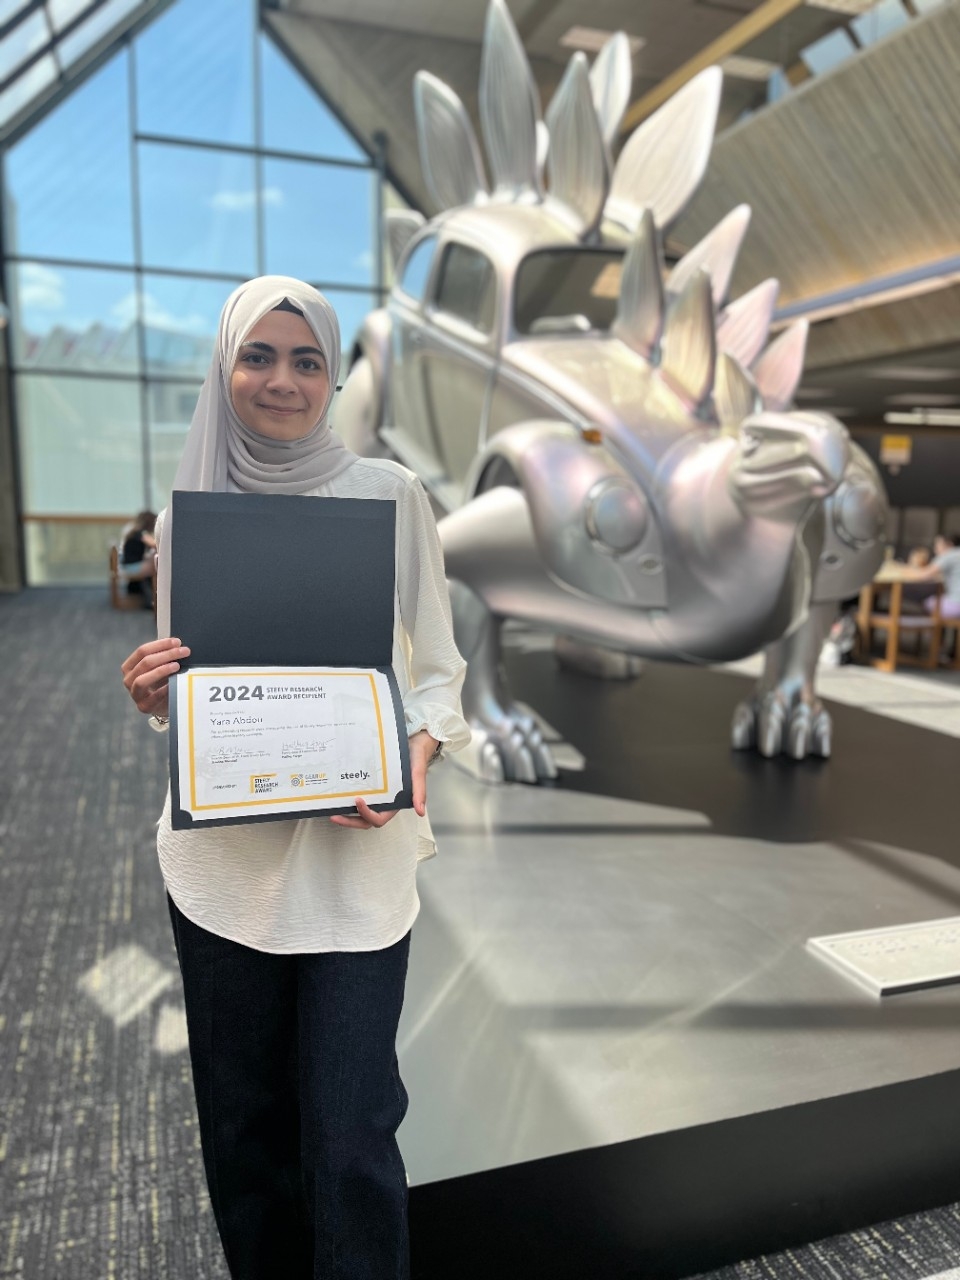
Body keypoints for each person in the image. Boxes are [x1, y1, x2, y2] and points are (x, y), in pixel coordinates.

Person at [120, 276, 470, 1280]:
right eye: (258, 355)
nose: (282, 379)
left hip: (357, 863)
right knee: (245, 1126)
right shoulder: (194, 515)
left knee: (353, 1125)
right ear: (225, 367)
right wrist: (156, 697)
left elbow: (441, 672)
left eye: (307, 357)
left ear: (333, 374)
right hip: (225, 871)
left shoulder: (391, 496)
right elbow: (196, 688)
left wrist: (414, 753)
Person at [119, 509, 157, 608]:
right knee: (155, 566)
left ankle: (149, 596)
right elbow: (154, 545)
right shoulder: (141, 534)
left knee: (153, 562)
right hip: (131, 568)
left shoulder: (135, 532)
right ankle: (152, 599)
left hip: (128, 565)